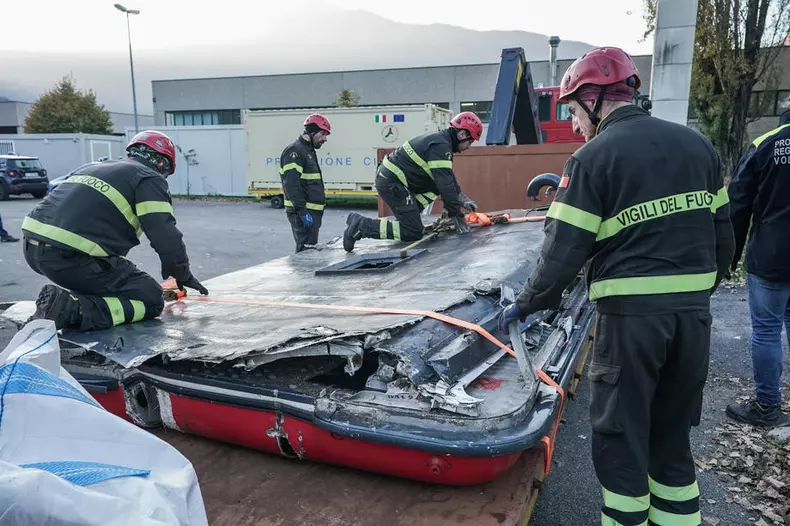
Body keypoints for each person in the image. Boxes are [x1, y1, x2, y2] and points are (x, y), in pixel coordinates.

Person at [497, 47, 734, 526]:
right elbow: (724, 239)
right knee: (671, 439)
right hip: (693, 321)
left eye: (571, 109)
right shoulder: (698, 147)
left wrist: (526, 305)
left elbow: (562, 252)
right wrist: (690, 296)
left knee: (622, 440)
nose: (574, 122)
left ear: (592, 98)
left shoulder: (591, 159)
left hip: (631, 325)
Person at [22, 130, 208, 332]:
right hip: (70, 257)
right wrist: (181, 272)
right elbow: (164, 233)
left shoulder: (94, 167)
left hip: (33, 249)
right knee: (150, 298)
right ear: (163, 164)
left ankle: (63, 301)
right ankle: (70, 309)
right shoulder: (148, 178)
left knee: (109, 283)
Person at [725, 108, 790, 428]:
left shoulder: (766, 144)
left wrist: (730, 256)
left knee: (766, 330)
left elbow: (737, 205)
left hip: (771, 257)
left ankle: (767, 406)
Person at [342, 112, 482, 252]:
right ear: (462, 134)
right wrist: (457, 216)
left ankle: (409, 218)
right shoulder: (440, 146)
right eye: (470, 142)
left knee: (434, 188)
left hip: (393, 180)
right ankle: (361, 225)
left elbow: (446, 178)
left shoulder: (440, 142)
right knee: (413, 232)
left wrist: (460, 197)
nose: (469, 147)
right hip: (393, 183)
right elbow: (445, 185)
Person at [280, 113, 330, 252]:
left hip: (311, 213)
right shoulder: (295, 151)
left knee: (309, 252)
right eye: (323, 134)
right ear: (312, 132)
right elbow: (291, 185)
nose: (325, 139)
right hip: (303, 214)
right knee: (305, 254)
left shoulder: (308, 150)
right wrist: (302, 212)